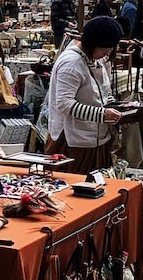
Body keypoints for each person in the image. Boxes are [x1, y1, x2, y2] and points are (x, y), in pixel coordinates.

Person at [42, 16, 124, 174]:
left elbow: (104, 93)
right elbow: (64, 104)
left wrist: (117, 109)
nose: (108, 52)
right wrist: (102, 114)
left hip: (96, 138)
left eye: (111, 48)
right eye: (104, 48)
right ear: (91, 42)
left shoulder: (96, 59)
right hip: (73, 142)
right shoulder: (71, 63)